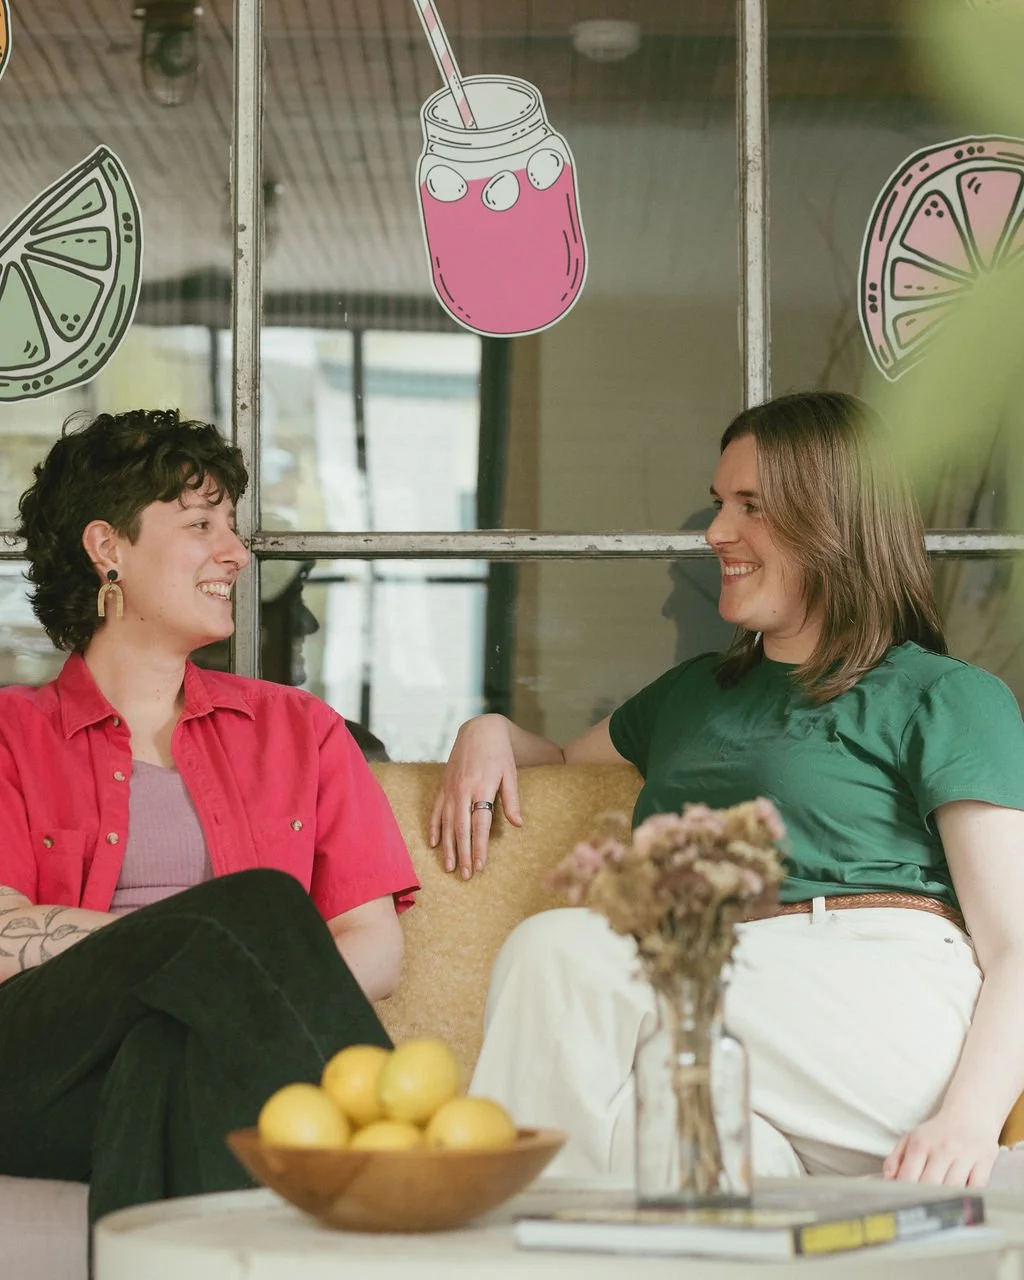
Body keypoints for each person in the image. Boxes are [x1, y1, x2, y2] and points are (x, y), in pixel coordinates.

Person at [430, 391, 1024, 1189]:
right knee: (678, 1147)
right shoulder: (690, 694)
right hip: (715, 1019)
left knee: (557, 953)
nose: (714, 532)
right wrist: (488, 730)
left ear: (834, 521)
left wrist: (969, 1122)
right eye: (719, 503)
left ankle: (476, 1244)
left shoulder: (944, 696)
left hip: (876, 1011)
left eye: (752, 505)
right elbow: (562, 758)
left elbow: (1016, 942)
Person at [0, 409, 419, 1225]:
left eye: (232, 525)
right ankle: (393, 1178)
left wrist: (193, 968)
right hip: (30, 1071)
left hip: (186, 1066)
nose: (236, 552)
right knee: (258, 905)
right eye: (200, 524)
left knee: (172, 1061)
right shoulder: (9, 736)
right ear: (107, 548)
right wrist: (200, 941)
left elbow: (377, 949)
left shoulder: (301, 732)